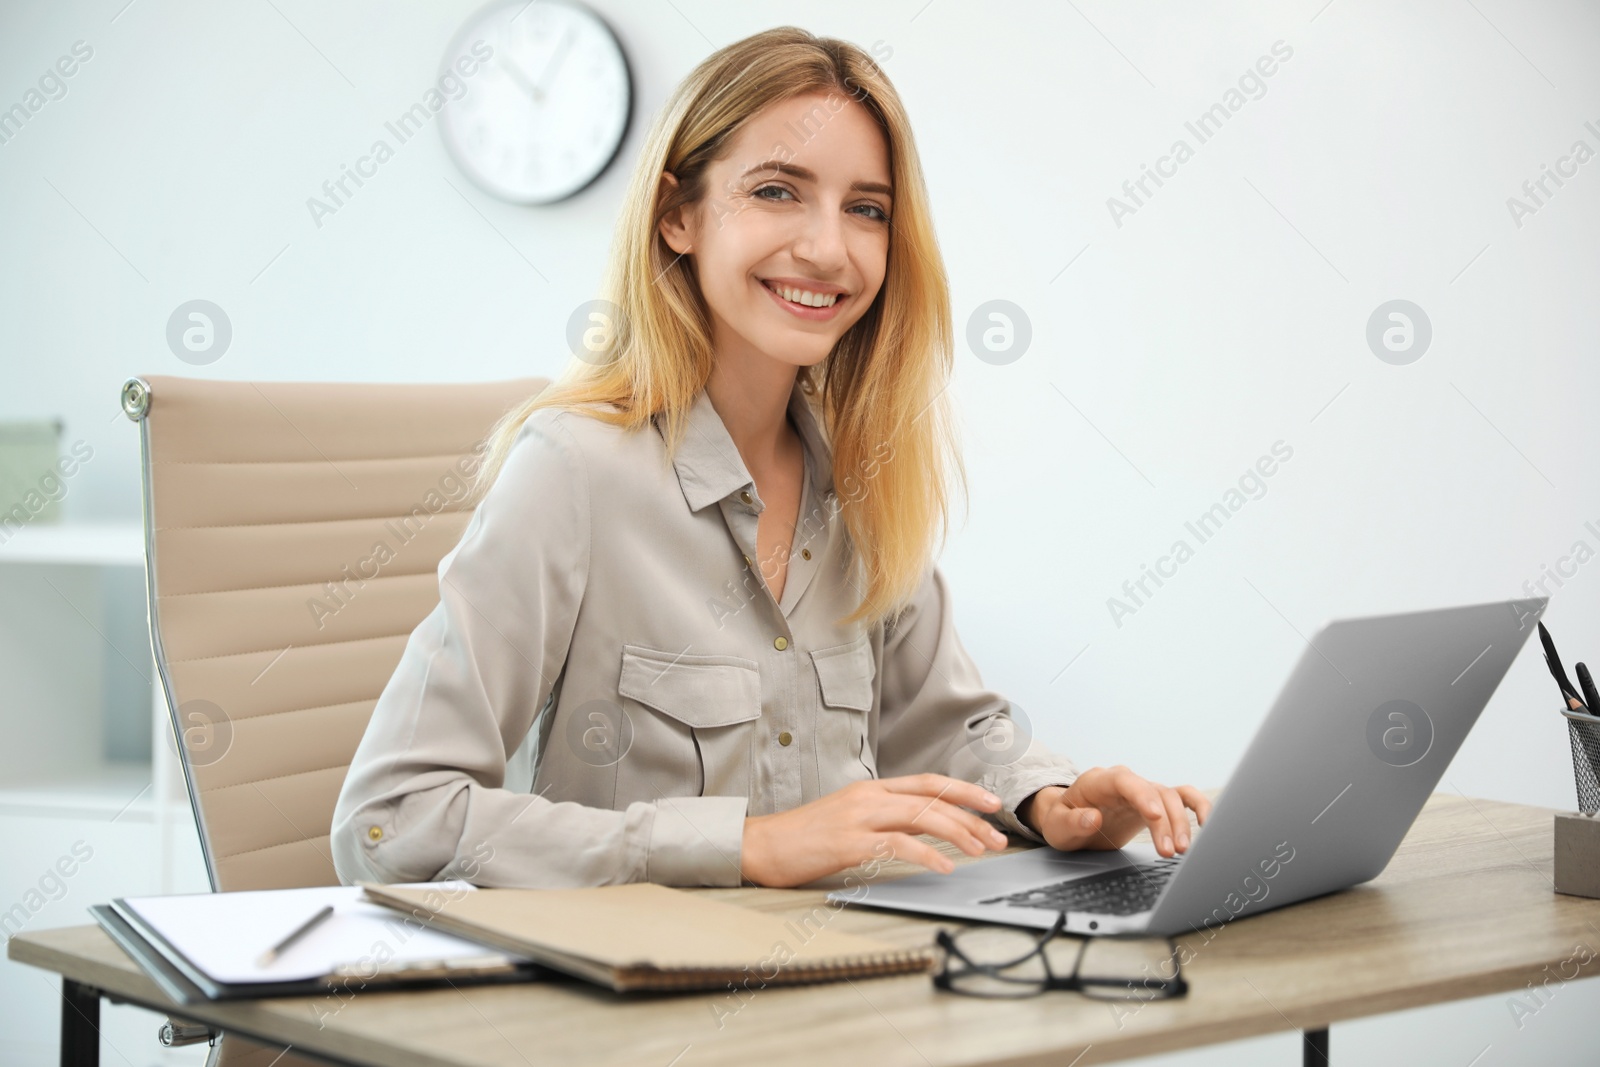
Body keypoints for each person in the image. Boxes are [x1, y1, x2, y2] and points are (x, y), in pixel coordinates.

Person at [330, 26, 1210, 890]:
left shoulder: (862, 479)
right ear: (678, 215)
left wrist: (1053, 798)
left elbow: (942, 725)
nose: (828, 248)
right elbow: (390, 818)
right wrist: (747, 845)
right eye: (779, 192)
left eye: (866, 209)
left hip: (843, 992)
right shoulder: (573, 470)